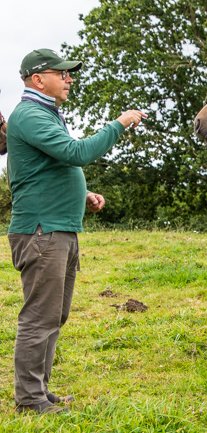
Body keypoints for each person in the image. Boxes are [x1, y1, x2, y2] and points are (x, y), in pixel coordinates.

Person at [6, 48, 147, 414]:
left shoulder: (46, 114)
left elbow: (43, 169)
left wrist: (81, 195)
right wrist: (118, 124)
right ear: (39, 79)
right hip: (42, 232)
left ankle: (39, 389)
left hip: (59, 230)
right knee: (40, 317)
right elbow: (76, 153)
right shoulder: (29, 115)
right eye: (62, 73)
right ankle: (29, 399)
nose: (69, 79)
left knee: (55, 315)